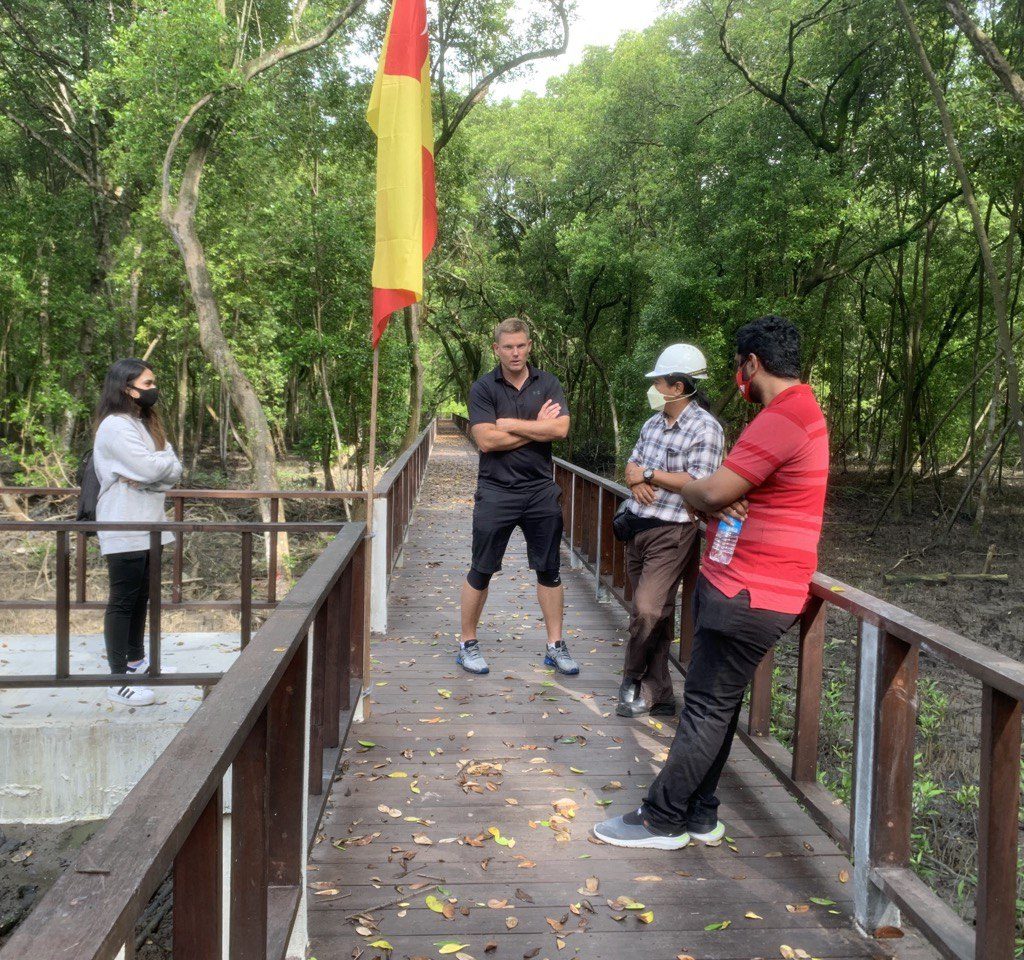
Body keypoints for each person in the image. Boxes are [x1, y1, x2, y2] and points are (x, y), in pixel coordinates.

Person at [595, 315, 829, 849]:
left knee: (703, 707)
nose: (737, 379)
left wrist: (709, 493)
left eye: (738, 368)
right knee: (717, 707)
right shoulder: (801, 412)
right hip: (758, 586)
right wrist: (710, 492)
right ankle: (700, 813)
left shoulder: (783, 417)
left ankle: (662, 818)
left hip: (749, 589)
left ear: (752, 363)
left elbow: (711, 493)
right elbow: (713, 491)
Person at [458, 317, 578, 676]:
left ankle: (555, 645)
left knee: (550, 569)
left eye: (521, 345)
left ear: (529, 345)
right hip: (496, 490)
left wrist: (508, 424)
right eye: (508, 346)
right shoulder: (483, 388)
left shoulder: (548, 383)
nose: (515, 352)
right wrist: (535, 430)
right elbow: (486, 440)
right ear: (496, 349)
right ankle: (467, 642)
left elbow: (561, 428)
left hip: (540, 489)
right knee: (481, 568)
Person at [617, 343, 724, 719]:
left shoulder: (705, 429)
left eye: (659, 381)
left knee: (646, 610)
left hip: (673, 532)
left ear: (678, 387)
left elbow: (700, 483)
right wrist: (635, 479)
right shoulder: (653, 422)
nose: (655, 387)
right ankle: (660, 694)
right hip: (637, 526)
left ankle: (631, 677)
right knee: (656, 612)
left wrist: (648, 475)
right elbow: (632, 464)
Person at [93, 359, 182, 706]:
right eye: (147, 384)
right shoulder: (115, 426)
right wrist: (158, 467)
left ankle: (136, 662)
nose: (153, 389)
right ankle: (117, 679)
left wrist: (160, 466)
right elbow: (150, 466)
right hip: (123, 523)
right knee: (123, 600)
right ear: (127, 388)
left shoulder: (143, 423)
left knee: (142, 597)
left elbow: (172, 469)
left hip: (149, 522)